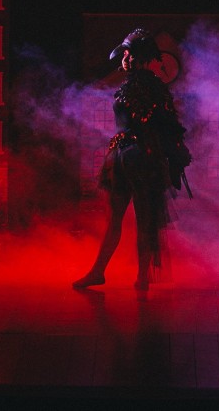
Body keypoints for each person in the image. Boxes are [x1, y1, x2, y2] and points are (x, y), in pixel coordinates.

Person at [73, 28, 191, 291]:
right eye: (124, 55)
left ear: (138, 56)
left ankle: (142, 278)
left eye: (127, 54)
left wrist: (173, 156)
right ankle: (99, 272)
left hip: (142, 160)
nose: (124, 59)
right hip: (123, 157)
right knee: (116, 219)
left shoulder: (154, 88)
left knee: (145, 221)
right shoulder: (132, 85)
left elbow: (168, 125)